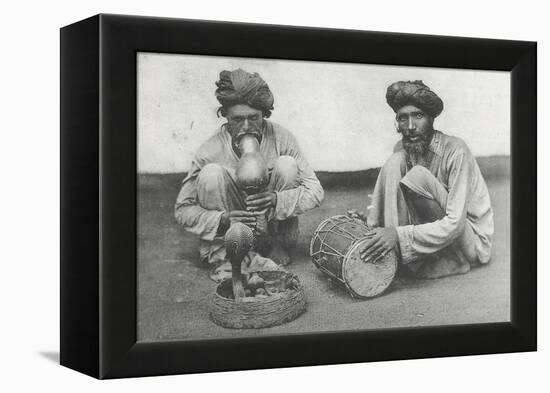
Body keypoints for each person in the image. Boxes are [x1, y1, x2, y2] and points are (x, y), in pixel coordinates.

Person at [174, 68, 324, 276]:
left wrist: (275, 200)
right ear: (225, 116)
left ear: (264, 114)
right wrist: (223, 219)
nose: (246, 126)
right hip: (231, 233)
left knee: (287, 164)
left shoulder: (282, 138)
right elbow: (183, 210)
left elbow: (315, 191)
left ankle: (276, 245)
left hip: (273, 232)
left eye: (254, 118)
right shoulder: (210, 149)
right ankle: (226, 255)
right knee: (210, 173)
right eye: (237, 119)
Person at [360, 80, 494, 279]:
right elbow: (401, 201)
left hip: (469, 242)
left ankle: (453, 262)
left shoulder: (456, 150)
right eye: (403, 118)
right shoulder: (402, 150)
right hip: (437, 236)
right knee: (395, 161)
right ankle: (390, 252)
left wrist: (398, 235)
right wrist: (372, 224)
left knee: (418, 176)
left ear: (431, 119)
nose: (411, 126)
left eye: (418, 116)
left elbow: (455, 223)